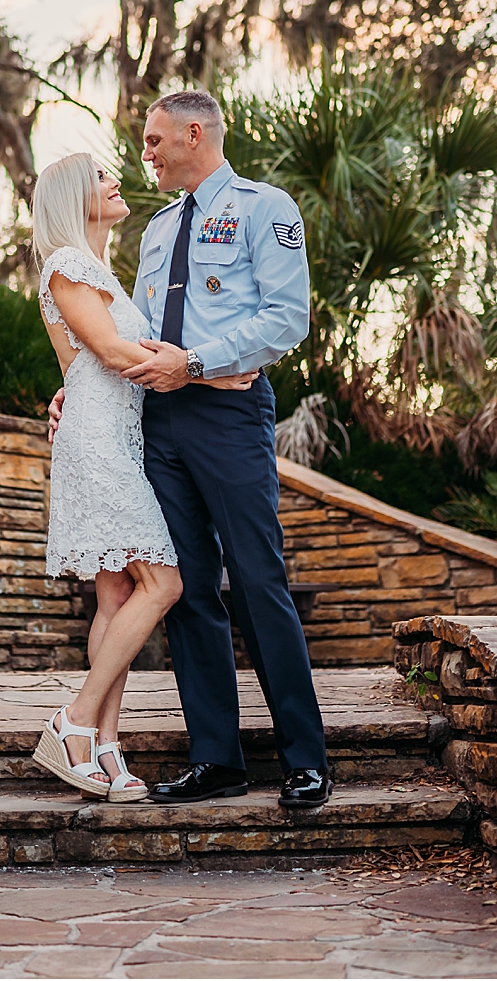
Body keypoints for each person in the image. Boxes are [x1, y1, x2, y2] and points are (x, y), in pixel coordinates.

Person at [48, 90, 332, 810]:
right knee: (188, 590)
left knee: (259, 579)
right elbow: (125, 333)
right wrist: (76, 387)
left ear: (193, 133)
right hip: (156, 420)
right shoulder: (157, 227)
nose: (145, 154)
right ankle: (217, 759)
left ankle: (305, 757)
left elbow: (286, 316)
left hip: (227, 415)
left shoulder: (266, 208)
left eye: (153, 140)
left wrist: (197, 362)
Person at [29, 150, 255, 800]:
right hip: (98, 445)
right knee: (166, 584)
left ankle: (105, 746)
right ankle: (72, 720)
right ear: (77, 196)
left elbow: (77, 368)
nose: (116, 179)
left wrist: (63, 394)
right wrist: (205, 366)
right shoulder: (67, 265)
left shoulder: (101, 271)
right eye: (101, 176)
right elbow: (105, 351)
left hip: (119, 436)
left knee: (117, 598)